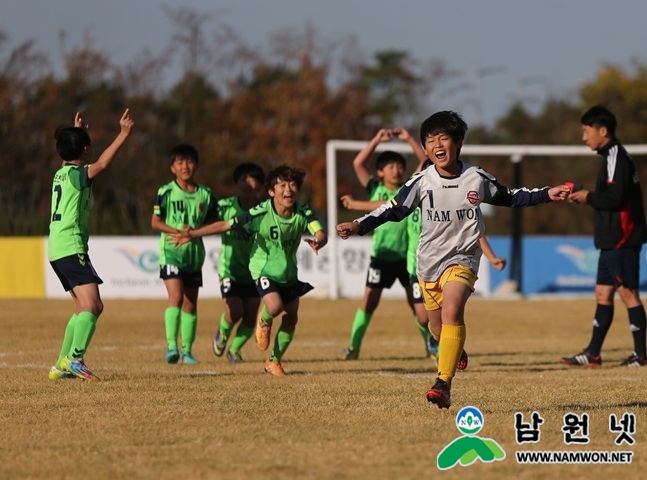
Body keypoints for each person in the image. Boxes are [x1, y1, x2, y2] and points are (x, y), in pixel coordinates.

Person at [337, 110, 569, 408]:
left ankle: (442, 383)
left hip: (463, 260)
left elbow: (512, 196)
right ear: (425, 148)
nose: (437, 145)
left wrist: (549, 193)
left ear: (458, 142)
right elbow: (392, 209)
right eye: (430, 140)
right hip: (428, 265)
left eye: (443, 138)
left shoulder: (476, 178)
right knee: (436, 327)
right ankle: (453, 347)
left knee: (453, 311)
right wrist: (359, 225)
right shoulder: (421, 181)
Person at [170, 164, 327, 376]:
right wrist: (193, 234)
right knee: (273, 307)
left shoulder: (303, 210)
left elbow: (320, 232)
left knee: (292, 318)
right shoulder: (261, 212)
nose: (288, 189)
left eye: (292, 184)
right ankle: (262, 321)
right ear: (271, 191)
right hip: (262, 269)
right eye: (282, 185)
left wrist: (319, 241)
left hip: (288, 273)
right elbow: (226, 225)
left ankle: (273, 362)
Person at [48, 109, 134, 381]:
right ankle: (73, 358)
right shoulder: (77, 174)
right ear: (85, 150)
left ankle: (61, 365)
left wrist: (76, 131)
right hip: (71, 247)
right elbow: (103, 164)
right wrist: (123, 134)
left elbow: (71, 158)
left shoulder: (61, 173)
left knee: (82, 307)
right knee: (93, 306)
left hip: (58, 248)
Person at [560, 105, 647, 368]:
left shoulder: (615, 157)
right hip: (611, 241)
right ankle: (593, 353)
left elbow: (615, 198)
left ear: (603, 131)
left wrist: (588, 197)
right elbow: (611, 197)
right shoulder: (611, 157)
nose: (584, 137)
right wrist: (588, 197)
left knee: (629, 294)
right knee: (602, 293)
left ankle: (641, 355)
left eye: (587, 131)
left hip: (622, 239)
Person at [340, 127, 428, 361]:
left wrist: (409, 138)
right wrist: (377, 139)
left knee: (417, 307)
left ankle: (430, 347)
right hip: (381, 256)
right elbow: (358, 164)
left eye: (400, 166)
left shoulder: (409, 188)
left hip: (407, 258)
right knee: (368, 302)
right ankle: (354, 346)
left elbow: (426, 161)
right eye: (391, 166)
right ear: (380, 172)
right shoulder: (374, 188)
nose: (397, 170)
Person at [152, 144, 220, 365]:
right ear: (172, 168)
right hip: (171, 251)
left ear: (196, 165)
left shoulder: (206, 194)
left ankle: (187, 351)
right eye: (179, 162)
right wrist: (178, 233)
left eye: (189, 161)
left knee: (190, 304)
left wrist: (194, 234)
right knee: (176, 297)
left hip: (194, 255)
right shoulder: (165, 192)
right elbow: (155, 222)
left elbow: (213, 223)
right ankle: (172, 347)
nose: (185, 166)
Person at [212, 162, 266, 363]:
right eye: (242, 178)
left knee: (251, 318)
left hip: (254, 272)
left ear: (260, 186)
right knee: (235, 312)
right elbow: (209, 223)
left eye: (252, 178)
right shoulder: (225, 207)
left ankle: (234, 350)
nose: (246, 182)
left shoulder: (265, 211)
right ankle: (223, 333)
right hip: (229, 270)